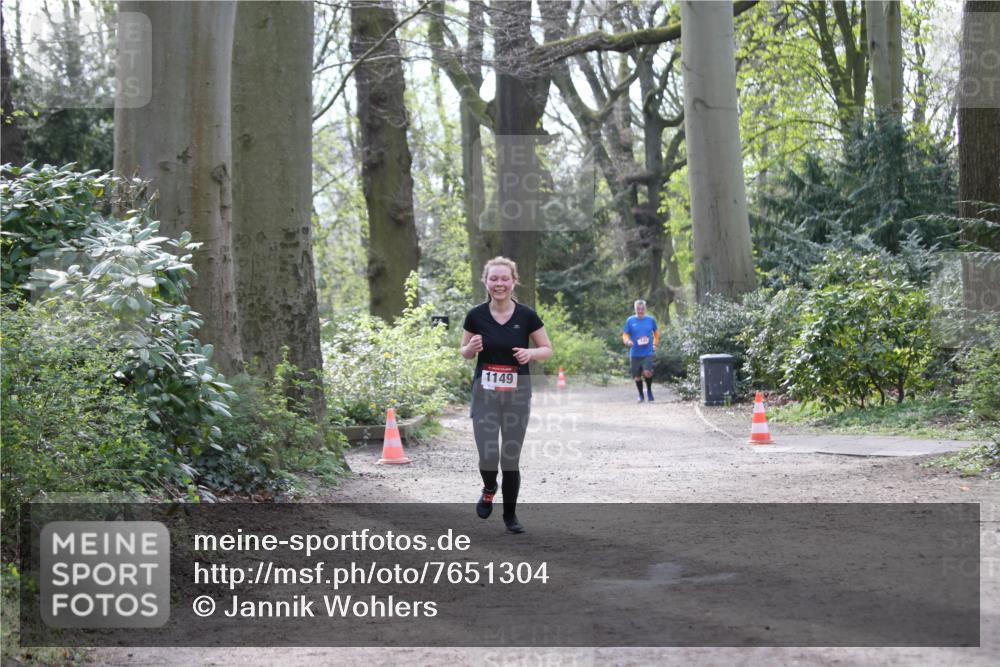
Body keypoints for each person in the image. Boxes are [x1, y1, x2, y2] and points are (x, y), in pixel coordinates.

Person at [460, 256, 552, 534]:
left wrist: (530, 353)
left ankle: (510, 516)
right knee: (488, 454)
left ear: (513, 282)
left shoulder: (526, 315)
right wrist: (471, 348)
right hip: (485, 393)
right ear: (485, 282)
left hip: (517, 394)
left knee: (510, 457)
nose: (499, 283)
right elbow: (463, 352)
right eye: (493, 278)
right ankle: (489, 488)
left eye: (504, 278)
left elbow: (547, 349)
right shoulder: (475, 315)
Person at [623, 299, 659, 402]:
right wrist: (627, 341)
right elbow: (625, 334)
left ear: (645, 309)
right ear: (635, 309)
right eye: (638, 309)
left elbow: (656, 333)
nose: (640, 311)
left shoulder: (650, 320)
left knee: (647, 372)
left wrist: (655, 344)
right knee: (637, 377)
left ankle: (649, 391)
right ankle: (640, 395)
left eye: (642, 309)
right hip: (635, 352)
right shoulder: (630, 321)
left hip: (647, 352)